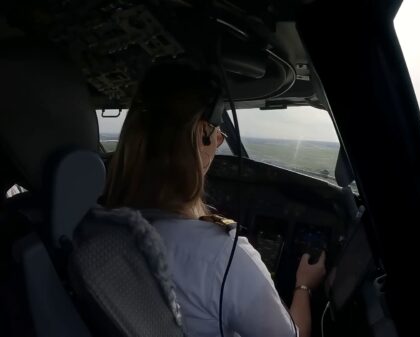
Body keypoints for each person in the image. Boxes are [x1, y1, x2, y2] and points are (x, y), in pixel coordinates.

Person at [104, 62, 326, 337]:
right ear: (200, 135)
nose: (218, 142)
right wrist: (304, 286)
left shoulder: (101, 229)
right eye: (217, 136)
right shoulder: (222, 257)